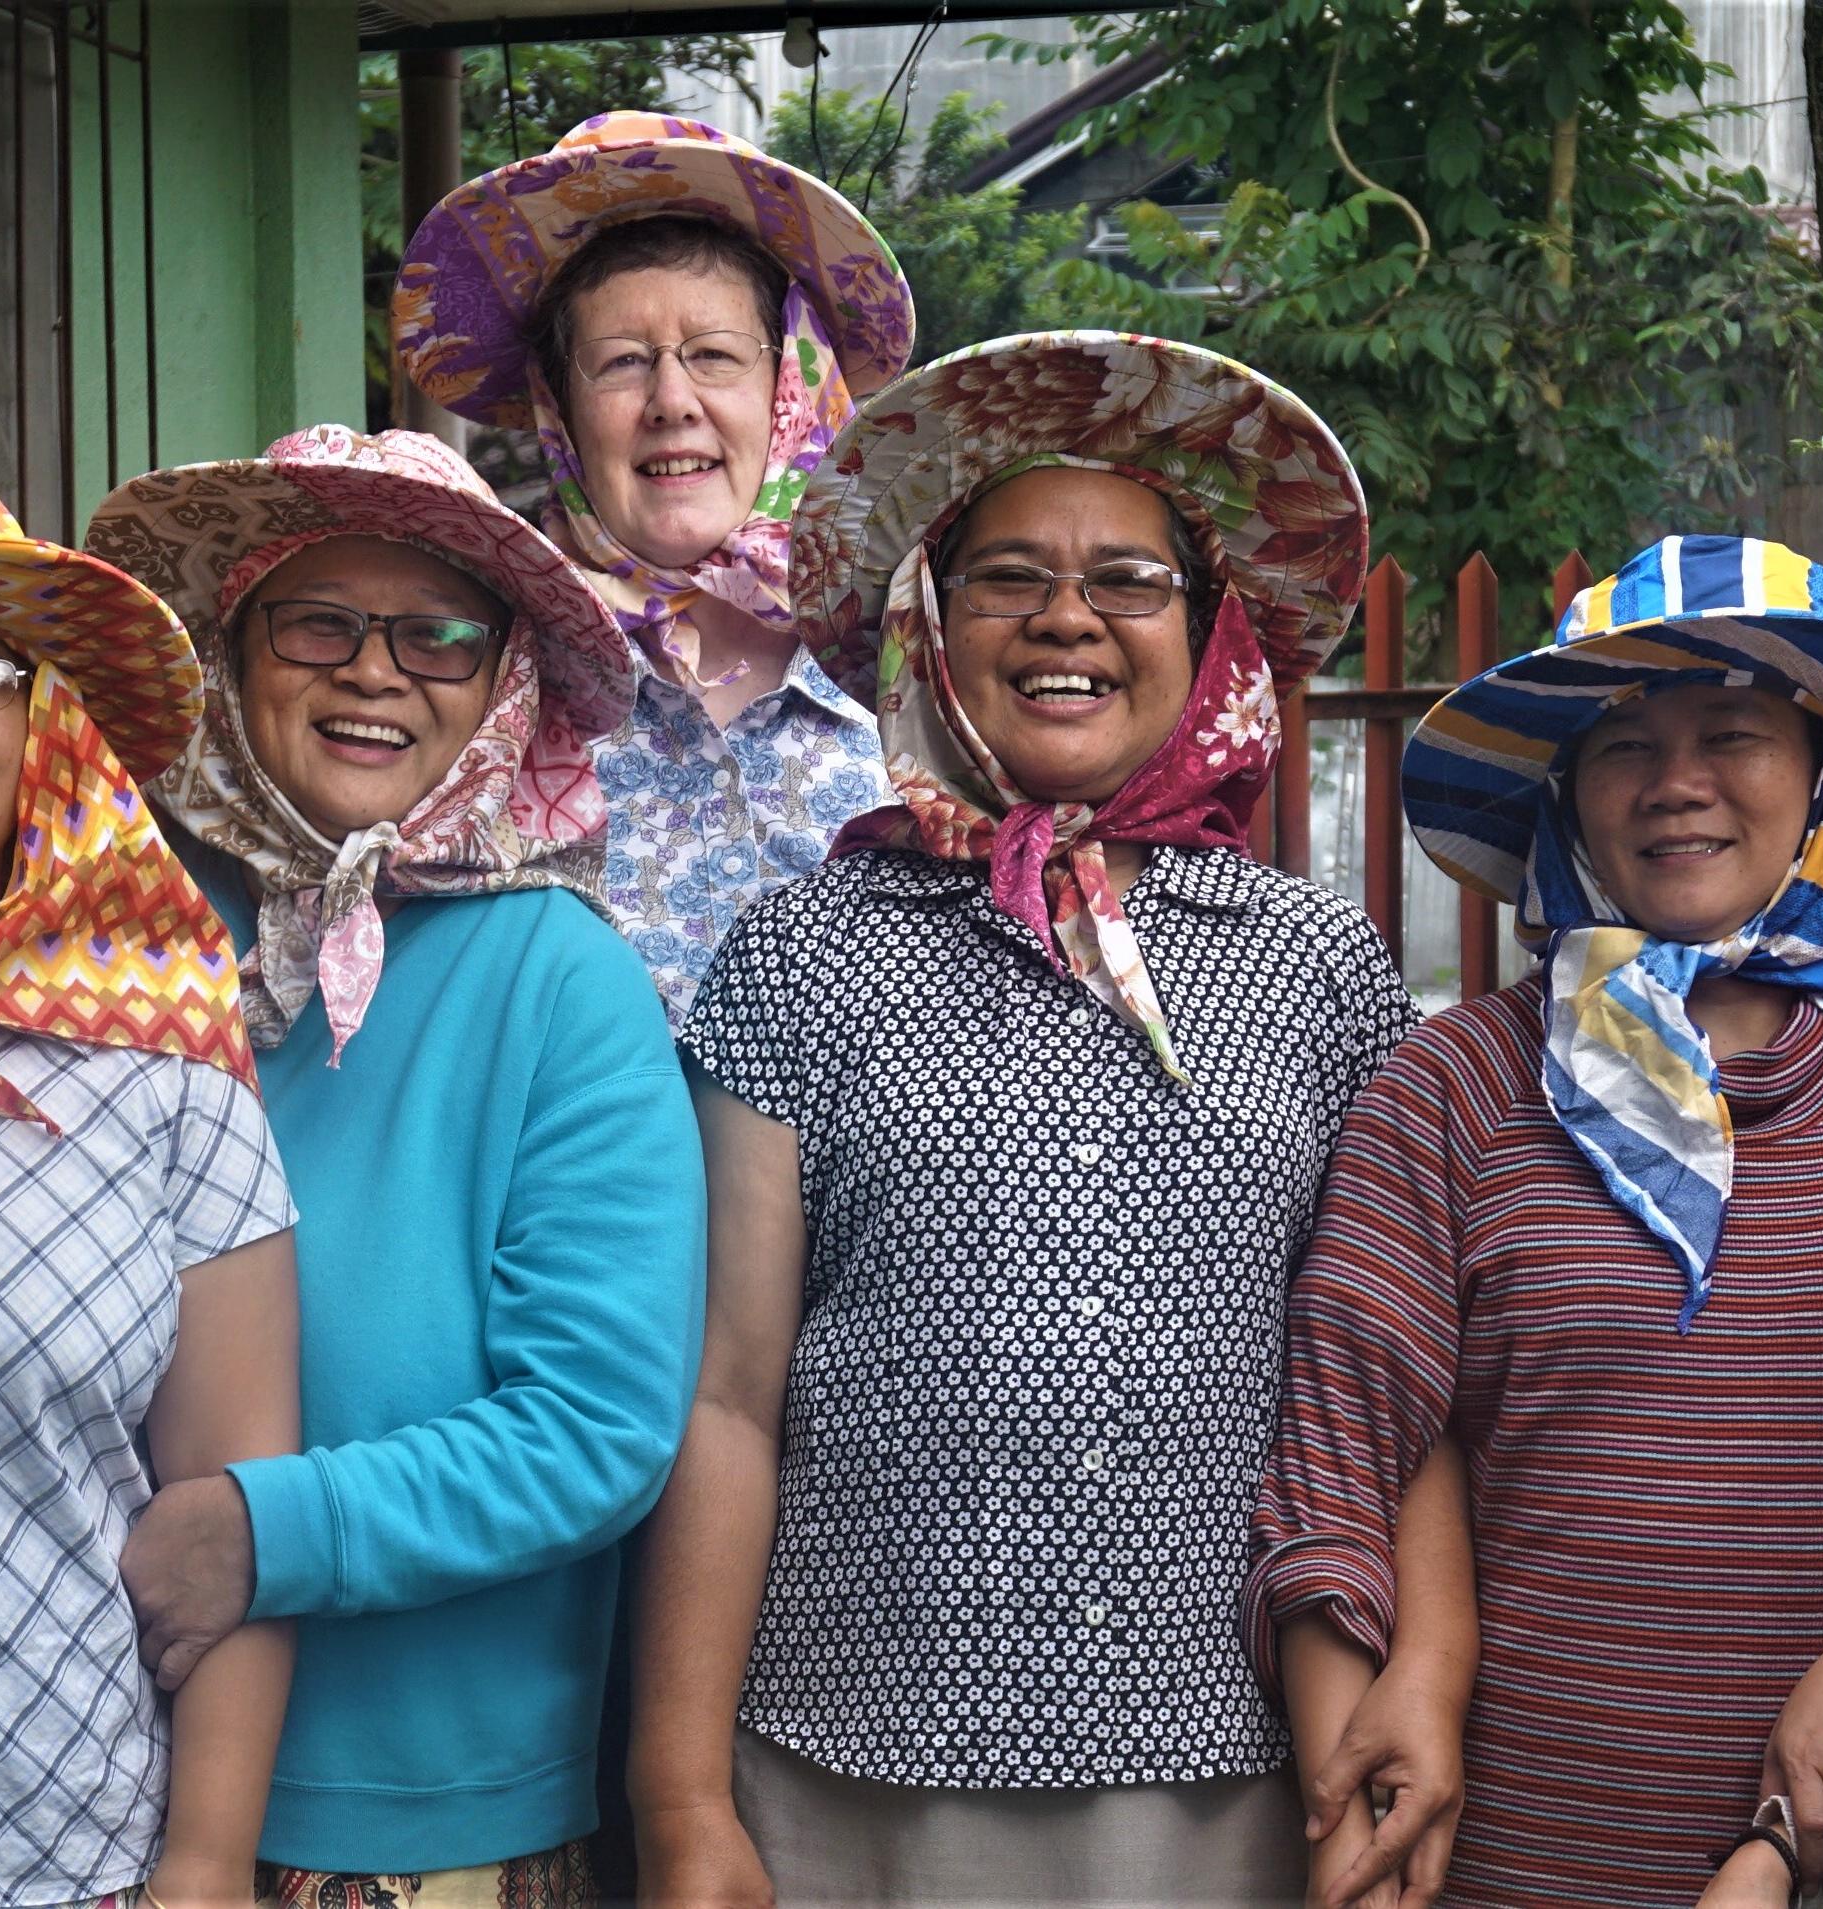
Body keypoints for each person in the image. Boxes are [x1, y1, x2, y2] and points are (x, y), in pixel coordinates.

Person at [627, 330, 1472, 1908]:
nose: (1067, 617)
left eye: (1128, 581)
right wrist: (679, 1795)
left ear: (1209, 632)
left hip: (1231, 1771)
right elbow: (726, 1397)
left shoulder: (1315, 965)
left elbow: (1387, 1384)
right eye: (1008, 577)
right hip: (845, 1767)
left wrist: (1423, 1661)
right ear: (931, 625)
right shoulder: (807, 950)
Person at [83, 427, 705, 1908]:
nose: (376, 672)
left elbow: (599, 1426)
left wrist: (264, 1532)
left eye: (436, 636)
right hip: (84, 1770)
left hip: (424, 1814)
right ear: (237, 651)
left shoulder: (561, 981)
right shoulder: (126, 943)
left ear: (503, 684)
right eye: (319, 623)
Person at [1247, 534, 1823, 1909]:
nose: (1676, 782)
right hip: (1504, 1854)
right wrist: (1358, 1794)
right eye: (1622, 743)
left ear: (1822, 770)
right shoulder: (1457, 1082)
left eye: (1734, 732)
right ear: (1566, 794)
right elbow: (1345, 1448)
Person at [0, 491, 297, 1909]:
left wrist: (202, 1870)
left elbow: (240, 1503)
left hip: (57, 1851)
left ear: (45, 725)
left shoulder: (162, 1068)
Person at [393, 110, 918, 1025]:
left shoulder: (913, 663)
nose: (672, 402)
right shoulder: (477, 674)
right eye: (623, 362)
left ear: (791, 387)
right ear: (559, 410)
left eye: (714, 356)